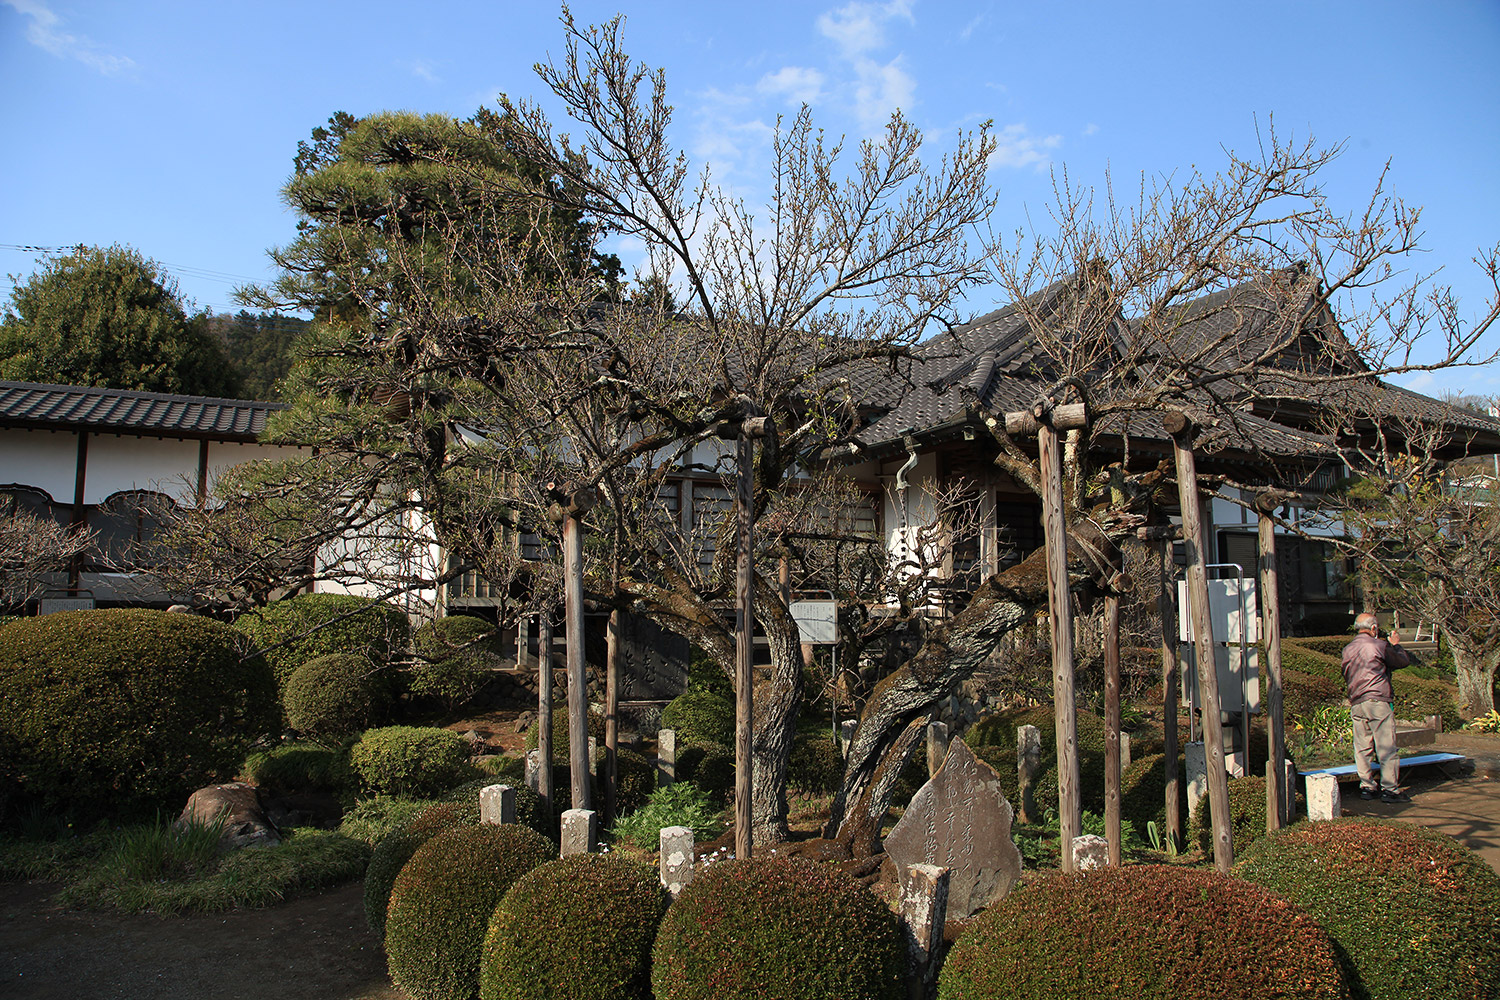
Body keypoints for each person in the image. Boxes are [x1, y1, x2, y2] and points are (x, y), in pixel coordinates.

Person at [1341, 613, 1412, 803]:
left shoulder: (1347, 649)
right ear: (1373, 628)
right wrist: (1396, 644)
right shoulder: (1379, 645)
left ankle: (1367, 786)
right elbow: (1402, 661)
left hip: (1357, 701)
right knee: (1386, 745)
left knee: (1362, 746)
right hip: (1377, 699)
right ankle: (1390, 789)